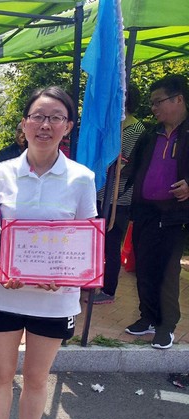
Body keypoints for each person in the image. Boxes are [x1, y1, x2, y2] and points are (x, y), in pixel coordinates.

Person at [0, 86, 96, 419]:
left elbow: (86, 242)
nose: (46, 125)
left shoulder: (82, 178)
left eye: (56, 117)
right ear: (23, 124)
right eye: (38, 116)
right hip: (4, 295)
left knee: (37, 378)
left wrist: (67, 274)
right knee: (1, 373)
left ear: (68, 126)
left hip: (54, 300)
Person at [123, 74, 189, 349]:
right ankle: (147, 317)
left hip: (175, 216)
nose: (153, 108)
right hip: (145, 212)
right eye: (152, 103)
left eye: (158, 102)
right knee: (144, 268)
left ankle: (166, 325)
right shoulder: (151, 134)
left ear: (178, 99)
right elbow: (134, 165)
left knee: (167, 271)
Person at [93, 84, 146, 304]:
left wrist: (111, 167)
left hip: (119, 198)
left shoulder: (136, 129)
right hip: (100, 193)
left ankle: (108, 290)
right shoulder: (112, 126)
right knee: (96, 241)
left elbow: (130, 166)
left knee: (112, 245)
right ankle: (92, 281)